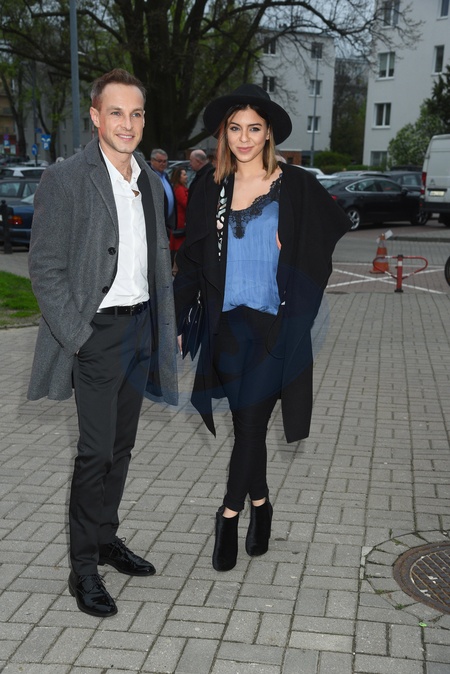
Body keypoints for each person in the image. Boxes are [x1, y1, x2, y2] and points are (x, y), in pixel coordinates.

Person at [173, 84, 350, 572]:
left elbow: (323, 245)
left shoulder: (295, 185)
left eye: (254, 128)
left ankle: (228, 516)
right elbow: (192, 259)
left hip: (276, 327)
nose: (245, 137)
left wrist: (291, 250)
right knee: (246, 426)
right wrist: (178, 318)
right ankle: (262, 505)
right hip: (228, 326)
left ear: (268, 132)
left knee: (249, 424)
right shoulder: (211, 185)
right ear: (224, 134)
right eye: (235, 128)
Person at [27, 68, 178, 617]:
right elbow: (44, 268)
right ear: (95, 117)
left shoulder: (151, 181)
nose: (127, 123)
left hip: (141, 330)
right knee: (94, 453)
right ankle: (83, 569)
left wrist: (164, 322)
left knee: (121, 447)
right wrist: (79, 337)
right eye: (116, 112)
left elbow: (155, 259)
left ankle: (106, 538)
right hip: (97, 334)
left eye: (135, 113)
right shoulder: (66, 178)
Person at [149, 148, 177, 234]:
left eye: (165, 161)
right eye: (159, 161)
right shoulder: (149, 177)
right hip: (156, 225)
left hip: (167, 223)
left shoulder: (165, 176)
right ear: (152, 161)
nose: (162, 164)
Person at [169, 166, 189, 265]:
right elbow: (186, 203)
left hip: (182, 221)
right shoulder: (180, 190)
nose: (186, 176)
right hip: (181, 223)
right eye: (184, 175)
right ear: (179, 177)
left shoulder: (182, 188)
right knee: (179, 247)